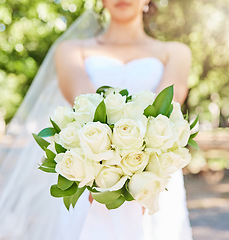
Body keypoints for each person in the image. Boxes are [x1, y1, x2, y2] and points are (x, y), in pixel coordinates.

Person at [0, 1, 192, 239]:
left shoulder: (175, 52)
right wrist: (102, 173)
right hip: (90, 173)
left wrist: (141, 180)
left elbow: (165, 109)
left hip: (155, 179)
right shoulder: (71, 50)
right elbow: (85, 106)